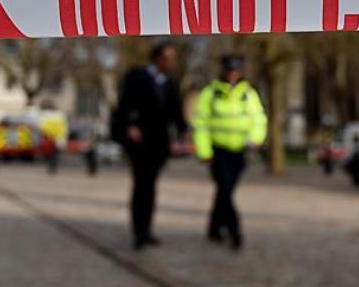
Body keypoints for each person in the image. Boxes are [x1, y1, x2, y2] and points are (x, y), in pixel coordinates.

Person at [114, 42, 188, 250]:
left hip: (159, 143)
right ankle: (138, 231)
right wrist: (129, 125)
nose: (172, 62)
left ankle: (147, 229)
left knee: (151, 186)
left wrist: (183, 131)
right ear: (159, 58)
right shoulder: (137, 76)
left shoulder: (170, 83)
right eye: (168, 58)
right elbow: (124, 104)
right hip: (140, 141)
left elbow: (176, 110)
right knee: (141, 185)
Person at [193, 54, 268, 250]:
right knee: (225, 191)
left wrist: (256, 139)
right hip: (218, 150)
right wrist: (204, 151)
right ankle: (235, 231)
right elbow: (201, 123)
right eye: (229, 70)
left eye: (235, 70)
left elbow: (258, 119)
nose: (232, 74)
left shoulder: (248, 94)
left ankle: (214, 227)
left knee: (225, 191)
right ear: (223, 71)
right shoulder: (211, 92)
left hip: (239, 151)